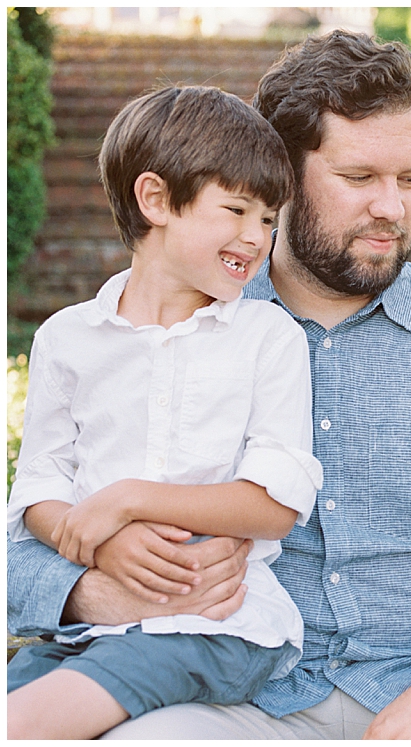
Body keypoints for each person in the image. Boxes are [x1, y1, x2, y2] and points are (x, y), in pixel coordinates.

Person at [6, 31, 411, 740]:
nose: (392, 209)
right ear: (280, 173)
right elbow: (27, 530)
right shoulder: (162, 337)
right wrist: (95, 590)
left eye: (410, 179)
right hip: (232, 691)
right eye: (359, 178)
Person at [6, 86, 322, 739]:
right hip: (89, 630)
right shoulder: (68, 338)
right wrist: (98, 542)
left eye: (268, 218)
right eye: (235, 209)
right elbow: (37, 492)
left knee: (24, 723)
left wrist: (127, 500)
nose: (256, 236)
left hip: (215, 628)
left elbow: (275, 505)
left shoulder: (269, 337)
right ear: (155, 201)